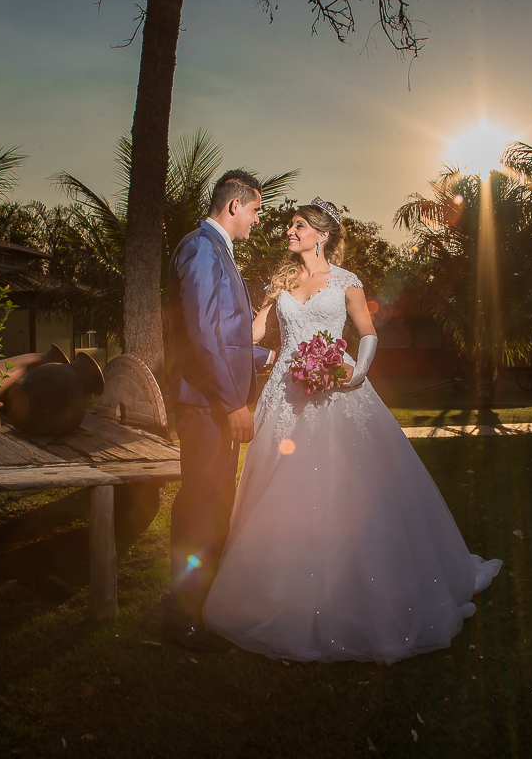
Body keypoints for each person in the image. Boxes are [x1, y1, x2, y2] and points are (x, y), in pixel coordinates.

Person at [202, 198, 501, 664]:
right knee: (280, 485)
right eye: (289, 225)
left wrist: (357, 372)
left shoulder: (347, 283)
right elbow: (256, 332)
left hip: (337, 384)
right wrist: (239, 336)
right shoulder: (278, 282)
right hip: (285, 392)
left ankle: (356, 588)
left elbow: (367, 333)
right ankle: (277, 590)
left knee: (346, 483)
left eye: (298, 225)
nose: (289, 232)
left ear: (321, 234)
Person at [164, 170, 273, 651]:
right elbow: (203, 337)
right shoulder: (201, 249)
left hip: (216, 404)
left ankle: (203, 607)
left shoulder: (218, 251)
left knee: (215, 506)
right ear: (234, 207)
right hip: (208, 408)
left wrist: (273, 358)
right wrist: (232, 403)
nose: (256, 220)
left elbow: (228, 338)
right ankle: (182, 619)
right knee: (201, 507)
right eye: (255, 210)